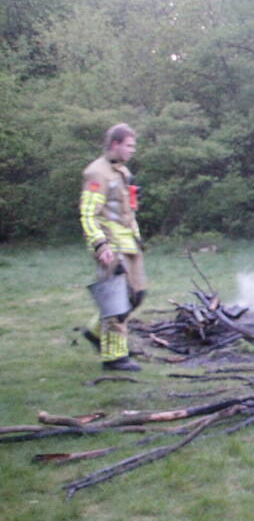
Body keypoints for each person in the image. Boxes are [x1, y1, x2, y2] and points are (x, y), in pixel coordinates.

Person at [79, 123, 147, 371]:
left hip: (130, 244)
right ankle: (114, 357)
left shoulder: (123, 172)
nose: (133, 150)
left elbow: (127, 210)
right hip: (111, 247)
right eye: (129, 145)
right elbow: (88, 214)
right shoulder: (96, 173)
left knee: (136, 295)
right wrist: (99, 245)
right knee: (116, 302)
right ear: (115, 144)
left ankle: (95, 332)